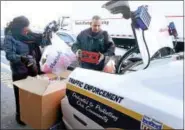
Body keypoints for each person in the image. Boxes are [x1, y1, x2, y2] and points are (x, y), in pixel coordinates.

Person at [3, 16, 51, 125]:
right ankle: (20, 116)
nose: (27, 29)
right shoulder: (10, 37)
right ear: (20, 27)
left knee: (32, 94)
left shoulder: (27, 33)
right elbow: (9, 55)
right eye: (26, 26)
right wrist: (22, 58)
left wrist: (47, 33)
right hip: (20, 72)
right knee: (20, 96)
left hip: (33, 69)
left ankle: (30, 113)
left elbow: (42, 42)